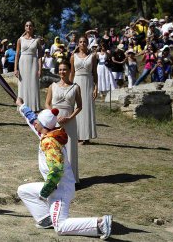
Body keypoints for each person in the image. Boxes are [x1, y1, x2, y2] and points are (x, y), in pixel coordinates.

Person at [15, 98, 112, 239]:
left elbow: (56, 170)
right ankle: (45, 218)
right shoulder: (46, 133)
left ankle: (100, 223)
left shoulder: (50, 143)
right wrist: (22, 106)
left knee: (60, 227)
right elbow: (33, 119)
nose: (34, 124)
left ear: (43, 125)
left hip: (61, 189)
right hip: (55, 186)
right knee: (23, 190)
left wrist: (45, 192)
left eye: (38, 123)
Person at [45, 62, 82, 183]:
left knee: (70, 150)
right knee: (55, 150)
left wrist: (69, 117)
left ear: (70, 71)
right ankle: (56, 179)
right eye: (60, 70)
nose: (62, 72)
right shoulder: (53, 86)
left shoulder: (75, 87)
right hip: (55, 121)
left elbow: (79, 106)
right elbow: (47, 103)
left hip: (69, 121)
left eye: (64, 69)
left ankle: (71, 180)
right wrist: (54, 115)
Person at [70, 37, 97, 145]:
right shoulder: (73, 57)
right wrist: (69, 85)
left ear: (87, 43)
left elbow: (95, 72)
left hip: (88, 82)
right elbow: (71, 72)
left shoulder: (92, 56)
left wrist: (96, 87)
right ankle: (77, 135)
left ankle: (86, 136)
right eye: (80, 42)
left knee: (87, 108)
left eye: (84, 42)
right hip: (77, 82)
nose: (82, 44)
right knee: (77, 107)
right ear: (78, 44)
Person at [14, 20, 42, 112]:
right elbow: (17, 55)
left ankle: (34, 106)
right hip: (23, 63)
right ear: (24, 27)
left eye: (30, 26)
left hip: (33, 62)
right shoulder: (20, 40)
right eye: (27, 26)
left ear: (33, 27)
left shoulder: (37, 40)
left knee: (33, 84)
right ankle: (22, 105)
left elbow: (40, 56)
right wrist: (15, 68)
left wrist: (40, 69)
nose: (28, 27)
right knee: (23, 84)